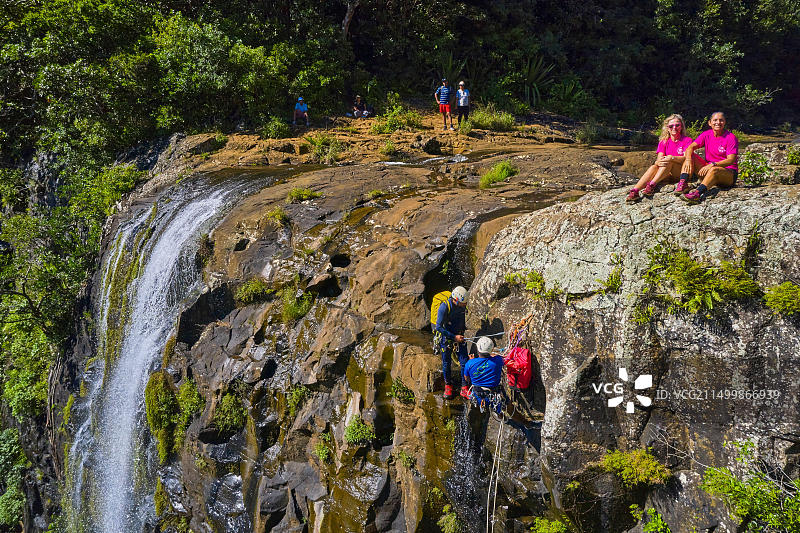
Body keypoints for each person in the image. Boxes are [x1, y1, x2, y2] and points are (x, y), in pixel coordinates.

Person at [625, 114, 695, 203]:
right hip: (666, 173)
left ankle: (652, 184)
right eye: (671, 126)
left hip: (681, 172)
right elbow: (658, 161)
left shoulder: (687, 140)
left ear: (681, 127)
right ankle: (635, 191)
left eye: (677, 125)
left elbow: (686, 158)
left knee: (669, 161)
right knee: (654, 167)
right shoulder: (664, 142)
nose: (674, 128)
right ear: (667, 128)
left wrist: (672, 158)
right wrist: (659, 162)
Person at [681, 111, 739, 204]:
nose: (718, 122)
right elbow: (690, 147)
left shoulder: (731, 137)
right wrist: (688, 160)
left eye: (721, 120)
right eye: (715, 120)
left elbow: (731, 160)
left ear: (724, 122)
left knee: (714, 170)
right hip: (709, 171)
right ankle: (683, 183)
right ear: (709, 123)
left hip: (728, 174)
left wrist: (713, 164)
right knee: (691, 155)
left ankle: (697, 194)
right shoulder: (706, 134)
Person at [434, 285, 468, 399]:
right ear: (456, 300)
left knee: (464, 362)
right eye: (463, 303)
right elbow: (438, 327)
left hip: (460, 336)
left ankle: (464, 387)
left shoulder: (462, 306)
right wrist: (454, 337)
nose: (465, 305)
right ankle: (448, 385)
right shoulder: (445, 307)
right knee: (446, 363)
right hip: (447, 338)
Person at [462, 336, 506, 411]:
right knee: (500, 410)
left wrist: (472, 361)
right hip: (494, 394)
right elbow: (500, 358)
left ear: (478, 350)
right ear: (491, 349)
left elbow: (466, 378)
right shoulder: (498, 360)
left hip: (478, 395)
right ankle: (499, 413)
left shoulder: (469, 363)